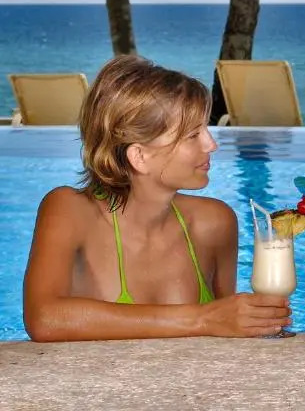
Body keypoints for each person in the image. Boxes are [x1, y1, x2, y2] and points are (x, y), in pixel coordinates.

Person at [22, 55, 290, 341]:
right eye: (193, 135)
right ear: (139, 156)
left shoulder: (214, 222)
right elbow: (44, 319)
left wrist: (252, 319)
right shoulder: (70, 210)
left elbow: (224, 328)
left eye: (206, 129)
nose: (211, 144)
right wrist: (202, 319)